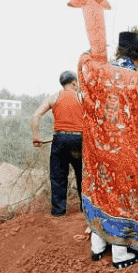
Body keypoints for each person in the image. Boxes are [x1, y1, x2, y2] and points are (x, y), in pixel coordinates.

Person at [78, 30, 138, 269]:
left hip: (98, 148)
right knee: (124, 196)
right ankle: (120, 252)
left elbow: (84, 67)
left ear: (117, 50)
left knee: (100, 190)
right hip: (127, 152)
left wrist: (94, 50)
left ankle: (97, 246)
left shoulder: (99, 70)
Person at [31, 71, 83, 217]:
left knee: (58, 175)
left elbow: (36, 115)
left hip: (59, 139)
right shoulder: (81, 96)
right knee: (82, 175)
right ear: (73, 83)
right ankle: (85, 208)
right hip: (78, 140)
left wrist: (36, 136)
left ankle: (58, 211)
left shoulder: (54, 97)